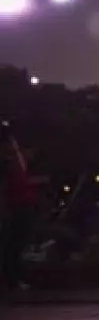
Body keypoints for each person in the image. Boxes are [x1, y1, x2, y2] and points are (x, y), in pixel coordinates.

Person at [1, 121, 38, 292]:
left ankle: (12, 278)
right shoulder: (10, 164)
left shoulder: (18, 165)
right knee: (13, 243)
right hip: (16, 206)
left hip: (21, 204)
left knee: (16, 243)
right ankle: (11, 279)